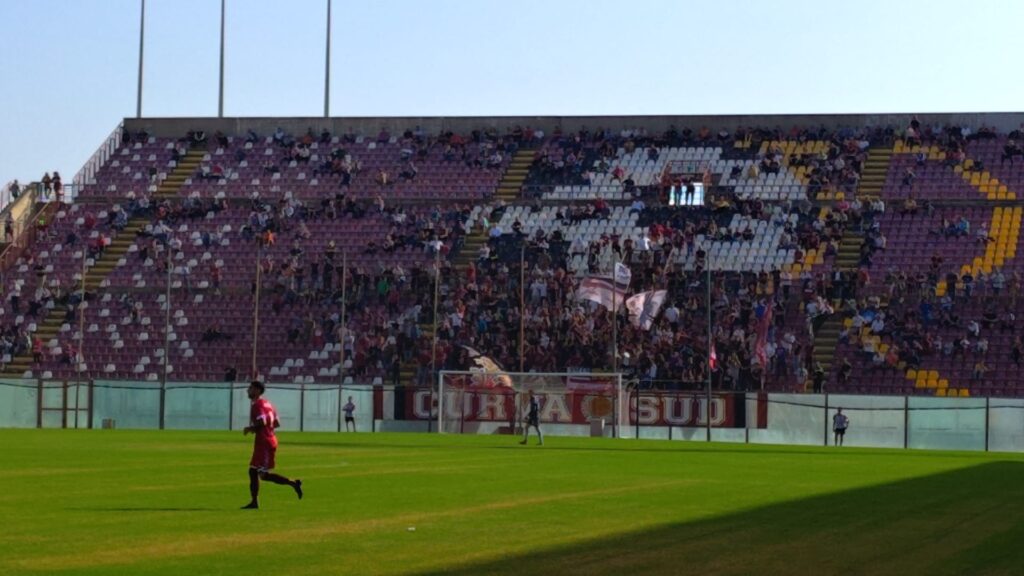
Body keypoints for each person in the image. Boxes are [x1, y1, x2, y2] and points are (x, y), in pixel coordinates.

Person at [242, 380, 303, 509]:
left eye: (251, 388)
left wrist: (250, 428)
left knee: (262, 475)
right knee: (253, 471)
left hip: (264, 443)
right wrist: (266, 431)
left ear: (257, 390)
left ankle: (293, 483)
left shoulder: (257, 405)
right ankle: (254, 502)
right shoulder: (269, 404)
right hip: (267, 440)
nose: (248, 390)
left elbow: (262, 422)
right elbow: (276, 423)